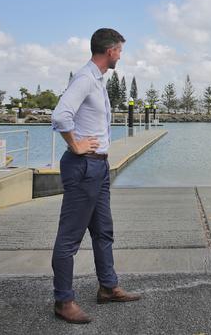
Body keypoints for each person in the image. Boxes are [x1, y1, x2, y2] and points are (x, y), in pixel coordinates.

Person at [51, 28, 140, 324]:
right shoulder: (86, 78)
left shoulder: (98, 80)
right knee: (69, 238)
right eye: (120, 51)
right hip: (84, 166)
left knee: (103, 230)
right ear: (110, 51)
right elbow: (60, 115)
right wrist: (75, 144)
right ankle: (63, 301)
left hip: (98, 166)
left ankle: (108, 286)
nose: (121, 56)